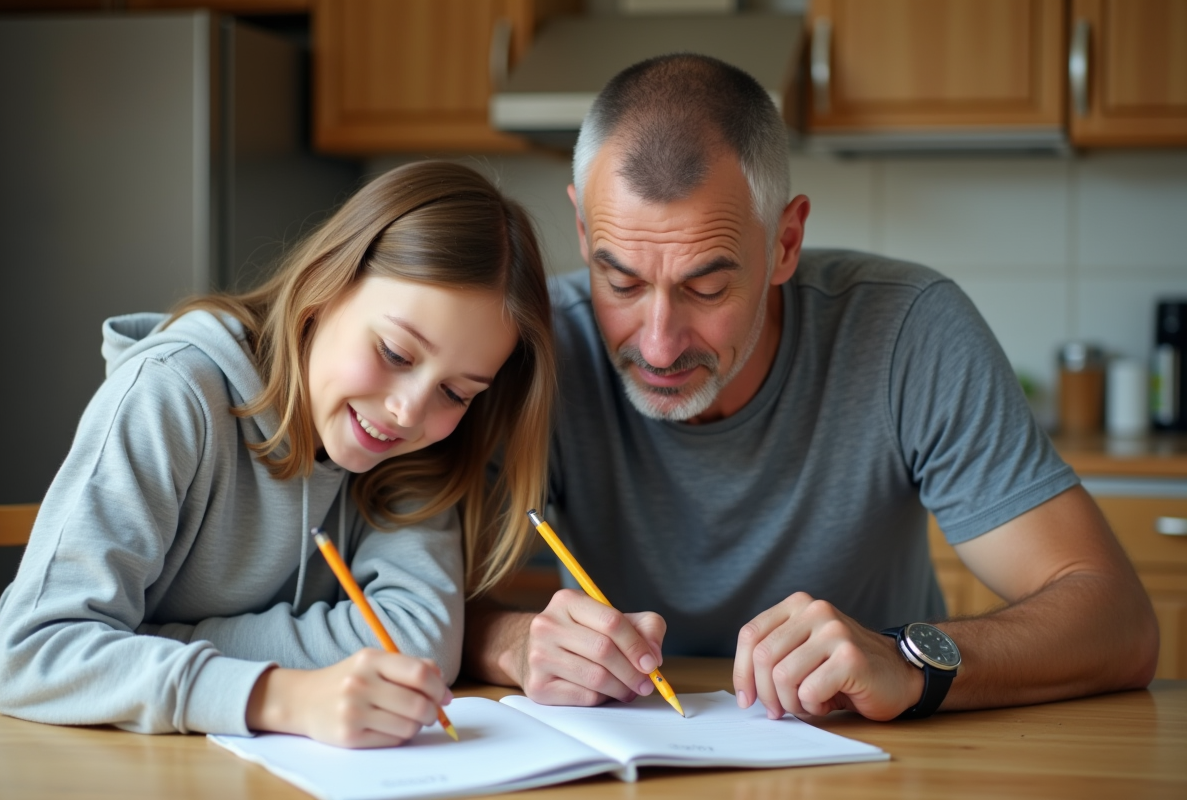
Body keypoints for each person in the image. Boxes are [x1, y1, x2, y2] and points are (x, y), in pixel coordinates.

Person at [463, 55, 1159, 721]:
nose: (657, 345)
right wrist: (511, 642)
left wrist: (905, 661)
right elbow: (413, 599)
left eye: (707, 288)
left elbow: (1119, 624)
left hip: (875, 752)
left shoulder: (907, 330)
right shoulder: (529, 349)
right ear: (583, 230)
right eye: (621, 282)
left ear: (786, 242)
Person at [0, 161, 556, 747]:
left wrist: (146, 642)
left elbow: (416, 642)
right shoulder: (172, 395)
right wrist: (279, 695)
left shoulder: (414, 451)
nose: (408, 411)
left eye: (455, 392)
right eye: (394, 353)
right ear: (323, 288)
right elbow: (30, 652)